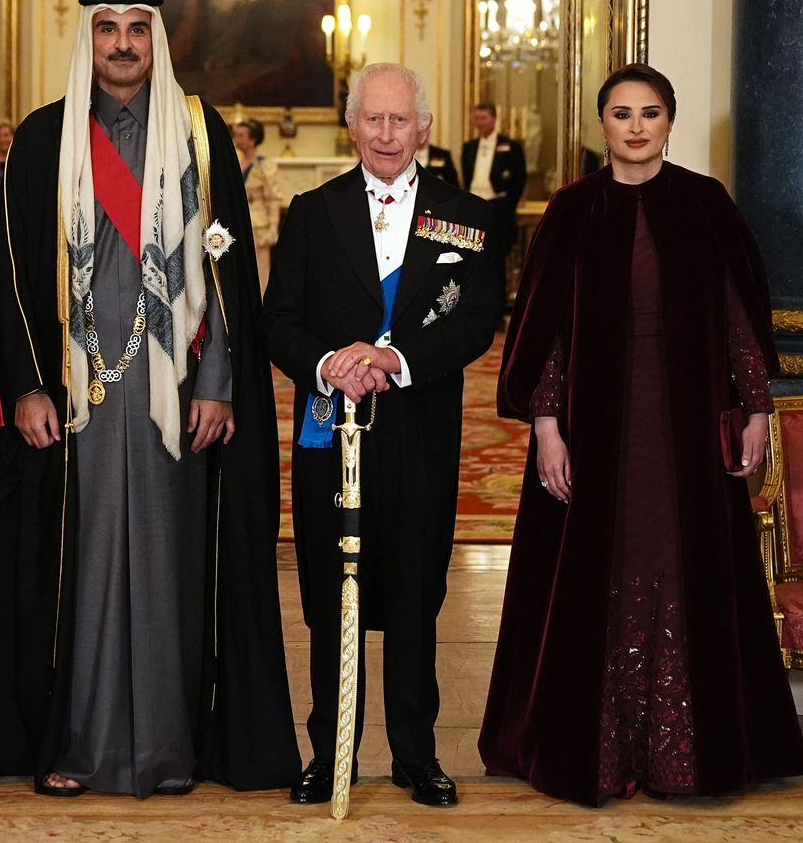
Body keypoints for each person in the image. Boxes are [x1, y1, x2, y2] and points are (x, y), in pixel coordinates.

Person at [0, 0, 299, 798]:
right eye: (108, 30)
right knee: (79, 574)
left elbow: (225, 258)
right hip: (76, 395)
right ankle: (79, 746)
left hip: (177, 392)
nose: (122, 44)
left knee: (168, 567)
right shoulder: (45, 139)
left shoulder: (198, 132)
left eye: (136, 30)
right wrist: (25, 388)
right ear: (86, 39)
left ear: (157, 39)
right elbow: (12, 277)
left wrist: (222, 384)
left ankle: (167, 752)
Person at [478, 63, 803, 805]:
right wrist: (548, 429)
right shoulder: (570, 210)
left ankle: (690, 757)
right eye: (621, 113)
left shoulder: (705, 204)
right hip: (594, 426)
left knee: (684, 565)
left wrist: (756, 409)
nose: (634, 126)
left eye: (649, 113)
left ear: (668, 123)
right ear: (602, 125)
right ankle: (595, 749)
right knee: (600, 568)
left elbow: (738, 317)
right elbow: (547, 334)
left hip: (686, 424)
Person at [261, 63, 501, 807]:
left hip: (420, 430)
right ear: (352, 125)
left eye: (401, 121)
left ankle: (415, 755)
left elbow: (475, 320)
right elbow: (279, 322)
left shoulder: (464, 217)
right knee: (332, 600)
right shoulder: (311, 210)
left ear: (423, 129)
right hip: (332, 435)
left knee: (416, 595)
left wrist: (395, 359)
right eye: (374, 120)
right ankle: (327, 756)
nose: (387, 134)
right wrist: (331, 362)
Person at [461, 102, 526, 312]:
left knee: (496, 261)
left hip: (498, 209)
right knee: (471, 260)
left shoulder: (510, 146)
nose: (479, 123)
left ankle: (495, 311)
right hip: (473, 209)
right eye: (476, 118)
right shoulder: (469, 147)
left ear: (494, 119)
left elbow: (519, 179)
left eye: (483, 118)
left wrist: (507, 207)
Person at [232, 117, 282, 289]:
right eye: (236, 135)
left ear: (252, 139)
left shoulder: (264, 165)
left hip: (258, 223)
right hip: (237, 220)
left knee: (260, 271)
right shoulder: (235, 163)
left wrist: (273, 227)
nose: (236, 139)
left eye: (241, 135)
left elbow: (273, 198)